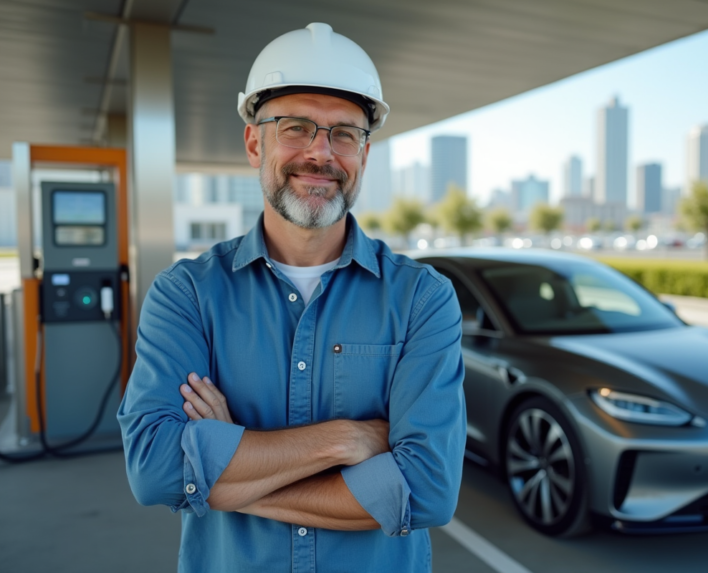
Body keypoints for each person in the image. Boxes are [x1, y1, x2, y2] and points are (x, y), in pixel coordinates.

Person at [118, 22, 466, 573]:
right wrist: (346, 440)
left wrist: (224, 469)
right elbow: (157, 471)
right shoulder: (186, 295)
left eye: (344, 133)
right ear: (255, 141)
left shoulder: (422, 300)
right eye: (297, 128)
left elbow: (426, 491)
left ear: (365, 154)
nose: (320, 153)